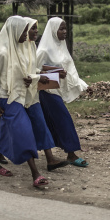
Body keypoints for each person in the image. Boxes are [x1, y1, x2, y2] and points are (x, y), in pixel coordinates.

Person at [0, 16, 50, 187]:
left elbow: (27, 72)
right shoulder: (2, 53)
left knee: (6, 131)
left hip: (21, 98)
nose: (25, 35)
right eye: (24, 31)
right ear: (14, 30)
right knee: (23, 133)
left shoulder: (19, 49)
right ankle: (35, 174)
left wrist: (39, 76)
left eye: (26, 31)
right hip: (7, 99)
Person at [36, 17, 89, 167]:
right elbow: (33, 70)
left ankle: (5, 151)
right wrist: (55, 72)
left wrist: (80, 83)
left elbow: (70, 68)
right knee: (64, 119)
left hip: (56, 90)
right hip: (46, 92)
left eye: (65, 28)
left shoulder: (61, 46)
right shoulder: (44, 50)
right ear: (53, 30)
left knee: (47, 123)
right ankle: (71, 153)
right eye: (61, 29)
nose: (65, 32)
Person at [23, 17, 69, 172]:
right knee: (5, 127)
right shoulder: (13, 51)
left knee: (39, 122)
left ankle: (50, 159)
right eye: (32, 29)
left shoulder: (31, 47)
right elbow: (20, 73)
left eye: (37, 28)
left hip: (32, 93)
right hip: (15, 96)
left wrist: (48, 73)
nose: (36, 32)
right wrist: (40, 76)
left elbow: (34, 69)